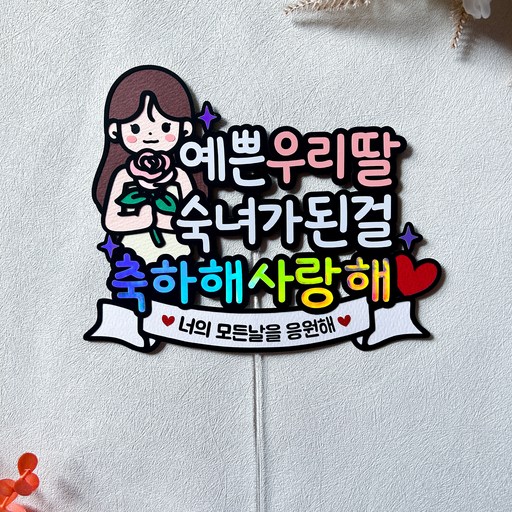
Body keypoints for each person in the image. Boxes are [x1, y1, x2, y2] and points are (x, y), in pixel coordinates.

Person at [93, 65, 196, 263]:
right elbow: (111, 220)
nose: (149, 134)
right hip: (133, 250)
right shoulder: (123, 176)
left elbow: (193, 216)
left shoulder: (180, 175)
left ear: (185, 128)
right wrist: (142, 220)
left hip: (177, 248)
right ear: (114, 130)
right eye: (135, 128)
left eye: (165, 126)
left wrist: (162, 219)